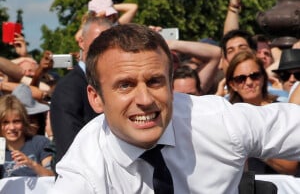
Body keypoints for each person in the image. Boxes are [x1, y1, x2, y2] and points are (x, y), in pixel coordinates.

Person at [50, 24, 300, 194]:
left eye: (155, 81)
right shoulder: (85, 169)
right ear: (96, 99)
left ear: (171, 85)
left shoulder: (217, 120)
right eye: (125, 85)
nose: (145, 99)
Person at [50, 16, 112, 164]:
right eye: (98, 40)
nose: (104, 46)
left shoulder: (113, 83)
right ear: (81, 42)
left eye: (110, 41)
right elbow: (70, 149)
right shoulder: (68, 89)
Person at [226, 50, 298, 175]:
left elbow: (290, 166)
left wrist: (251, 143)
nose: (249, 82)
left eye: (254, 76)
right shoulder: (227, 117)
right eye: (241, 79)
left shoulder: (280, 112)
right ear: (232, 85)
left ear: (264, 78)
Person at [0, 95, 54, 177]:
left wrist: (32, 164)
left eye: (16, 121)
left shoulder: (40, 143)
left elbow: (52, 176)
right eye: (5, 122)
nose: (12, 127)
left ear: (24, 122)